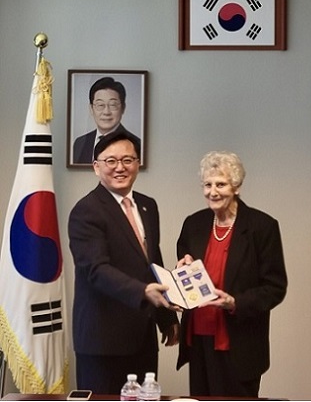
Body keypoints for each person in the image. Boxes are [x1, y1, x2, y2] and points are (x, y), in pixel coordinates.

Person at [68, 129, 179, 393]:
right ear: (96, 167)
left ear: (137, 164)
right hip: (102, 341)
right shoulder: (86, 210)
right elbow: (96, 269)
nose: (120, 167)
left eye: (128, 160)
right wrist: (143, 291)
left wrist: (167, 317)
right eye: (111, 161)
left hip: (142, 337)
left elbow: (152, 262)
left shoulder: (147, 206)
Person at [175, 151, 288, 397]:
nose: (213, 192)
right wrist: (181, 271)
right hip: (198, 338)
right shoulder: (193, 224)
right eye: (207, 185)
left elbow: (275, 287)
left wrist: (235, 302)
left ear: (236, 187)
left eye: (221, 184)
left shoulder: (262, 227)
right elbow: (183, 269)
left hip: (239, 343)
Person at [71, 77, 141, 164]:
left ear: (123, 108)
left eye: (113, 105)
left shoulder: (136, 143)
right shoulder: (80, 143)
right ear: (91, 109)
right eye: (100, 105)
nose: (106, 112)